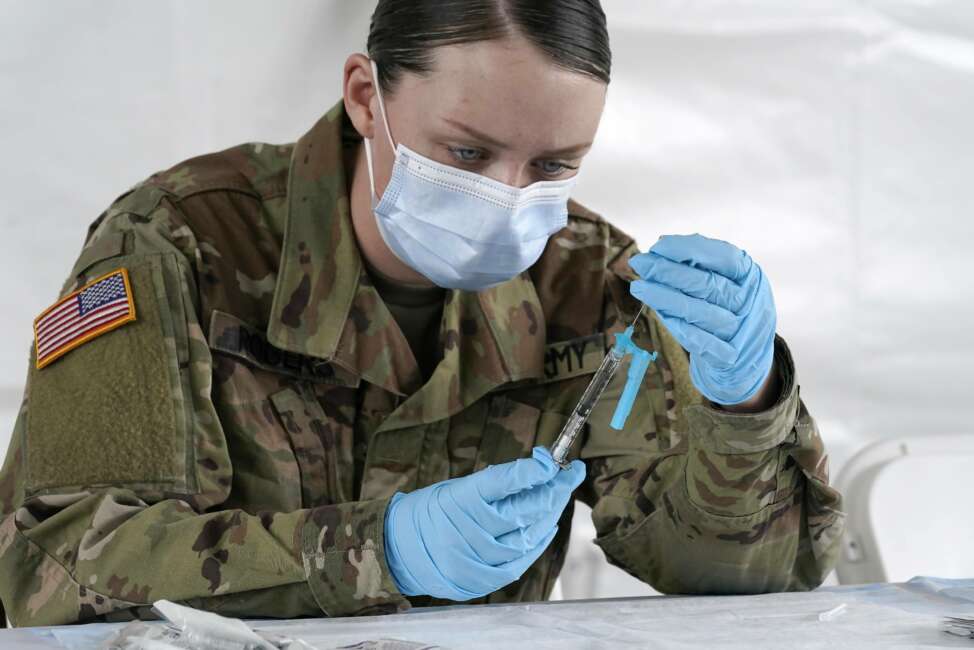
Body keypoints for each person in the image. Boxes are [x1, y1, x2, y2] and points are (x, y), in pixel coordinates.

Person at [0, 0, 844, 628]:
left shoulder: (589, 286)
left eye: (553, 163)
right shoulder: (179, 244)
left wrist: (741, 408)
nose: (510, 197)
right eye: (467, 152)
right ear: (367, 97)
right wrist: (380, 549)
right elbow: (58, 566)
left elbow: (741, 583)